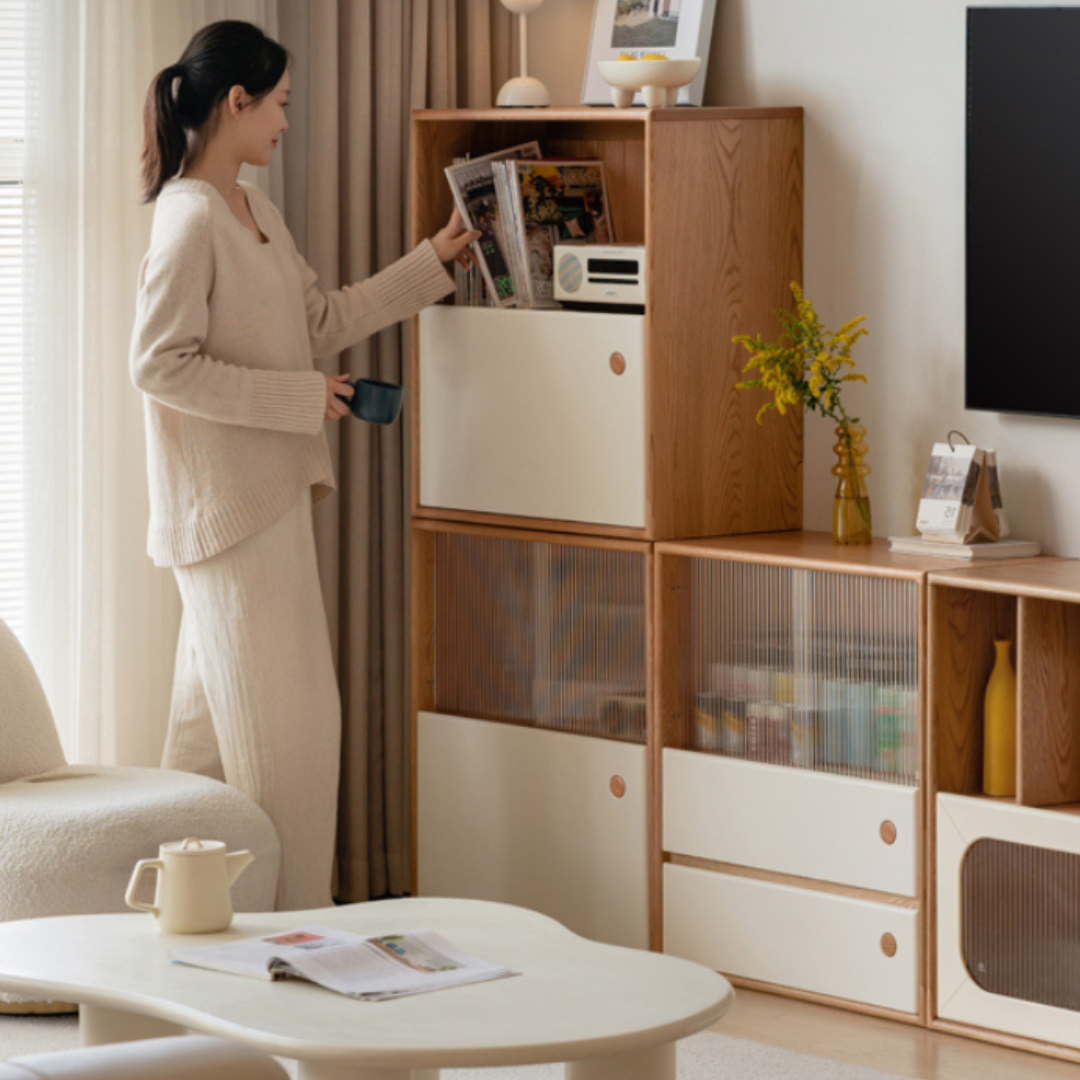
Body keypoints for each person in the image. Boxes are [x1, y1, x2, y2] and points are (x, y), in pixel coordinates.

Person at [129, 20, 478, 910]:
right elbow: (158, 364)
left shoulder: (256, 211)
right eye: (279, 105)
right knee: (295, 741)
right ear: (235, 103)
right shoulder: (189, 216)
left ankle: (177, 936)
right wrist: (297, 399)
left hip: (264, 500)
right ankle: (302, 938)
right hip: (230, 514)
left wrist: (430, 264)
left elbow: (318, 322)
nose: (287, 123)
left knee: (204, 750)